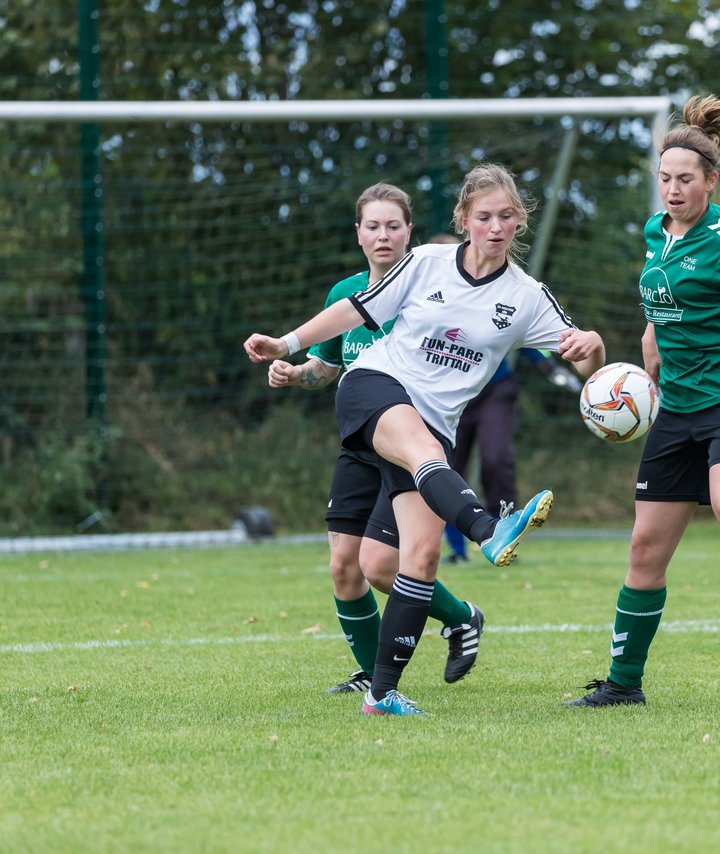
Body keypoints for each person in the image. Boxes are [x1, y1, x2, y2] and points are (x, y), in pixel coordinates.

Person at [245, 162, 606, 716]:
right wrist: (288, 344)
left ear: (519, 223)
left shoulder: (528, 297)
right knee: (423, 457)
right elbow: (352, 310)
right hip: (375, 387)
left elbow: (586, 369)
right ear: (464, 219)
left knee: (412, 558)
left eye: (506, 217)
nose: (495, 226)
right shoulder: (427, 262)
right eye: (484, 216)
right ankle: (489, 529)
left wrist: (595, 350)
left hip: (435, 424)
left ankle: (382, 694)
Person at [565, 94, 720, 708]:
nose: (672, 190)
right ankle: (624, 683)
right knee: (645, 548)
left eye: (684, 180)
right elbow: (660, 304)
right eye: (665, 178)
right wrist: (650, 349)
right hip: (675, 408)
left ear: (710, 181)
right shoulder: (657, 233)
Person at [264, 183, 486, 696]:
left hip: (413, 444)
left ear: (409, 231)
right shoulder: (343, 296)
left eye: (393, 226)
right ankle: (376, 677)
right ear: (359, 234)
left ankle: (458, 618)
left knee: (383, 565)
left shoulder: (435, 293)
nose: (383, 235)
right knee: (344, 566)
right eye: (373, 226)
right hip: (359, 443)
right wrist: (295, 375)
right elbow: (327, 367)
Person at [442, 347, 582, 564]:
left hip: (496, 389)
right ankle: (457, 550)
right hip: (449, 391)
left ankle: (504, 536)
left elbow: (524, 333)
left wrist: (549, 366)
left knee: (496, 460)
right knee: (448, 467)